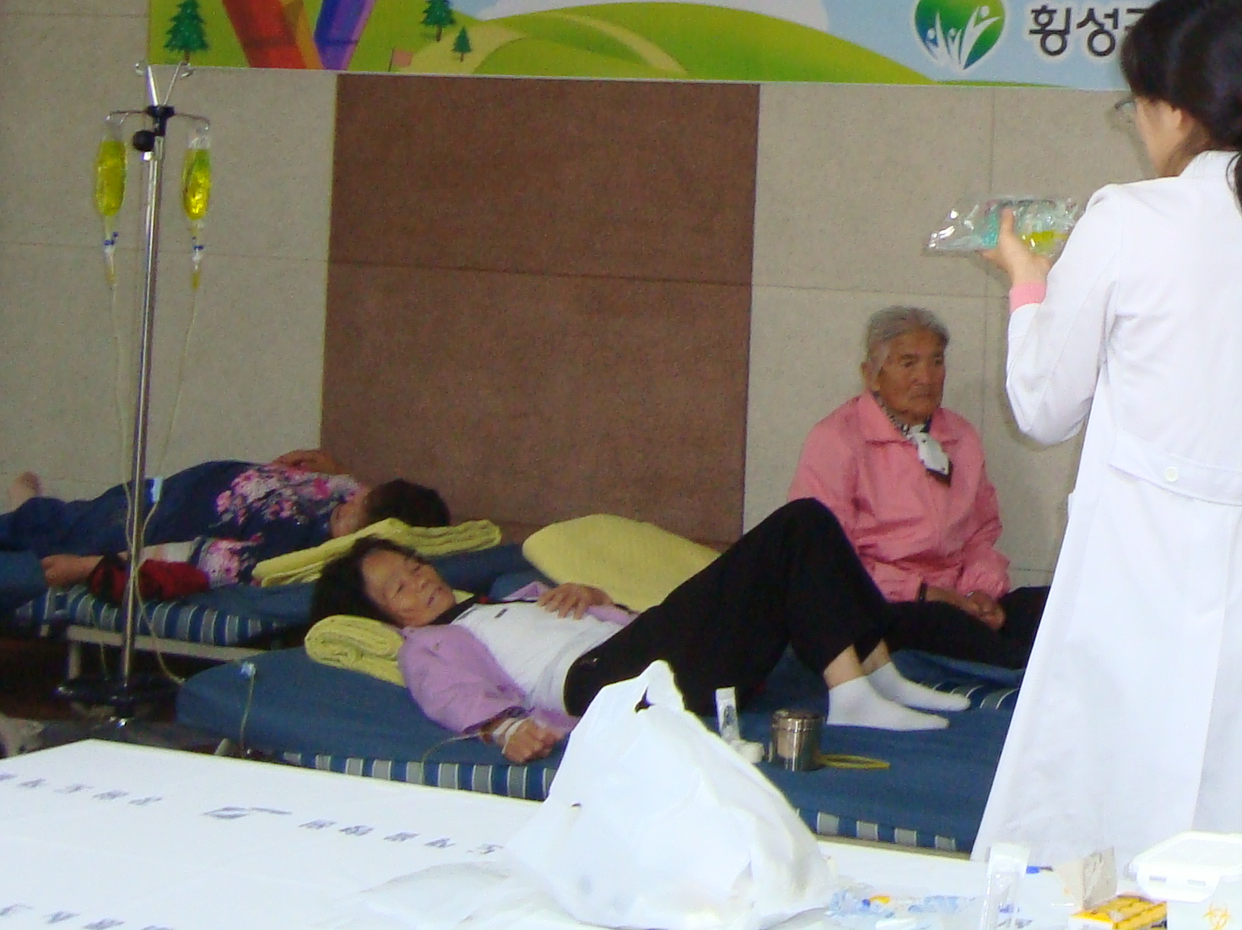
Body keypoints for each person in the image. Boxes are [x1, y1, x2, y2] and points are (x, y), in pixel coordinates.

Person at [972, 0, 1242, 899]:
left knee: (1105, 842)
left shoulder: (1128, 218)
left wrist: (1029, 283)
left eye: (1136, 105)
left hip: (1139, 590)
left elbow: (1042, 407)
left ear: (1175, 109)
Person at [308, 497, 970, 762]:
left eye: (415, 566)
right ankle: (851, 695)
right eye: (399, 589)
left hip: (647, 655)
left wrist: (591, 598)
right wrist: (503, 728)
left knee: (812, 525)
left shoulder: (500, 600)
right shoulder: (427, 647)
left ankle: (878, 673)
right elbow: (449, 693)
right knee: (794, 525)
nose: (419, 580)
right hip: (608, 682)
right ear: (385, 616)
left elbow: (610, 626)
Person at [789, 304, 1049, 667]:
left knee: (1052, 608)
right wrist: (926, 593)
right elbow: (828, 560)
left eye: (936, 362)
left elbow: (981, 534)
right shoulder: (837, 440)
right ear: (871, 375)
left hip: (957, 598)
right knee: (949, 628)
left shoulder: (960, 435)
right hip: (884, 605)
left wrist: (980, 592)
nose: (925, 377)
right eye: (908, 363)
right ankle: (1025, 678)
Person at [3, 455, 448, 590]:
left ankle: (26, 507)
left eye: (355, 512)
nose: (349, 502)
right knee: (78, 514)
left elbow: (191, 558)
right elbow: (344, 484)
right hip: (178, 488)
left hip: (157, 522)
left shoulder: (288, 550)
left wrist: (90, 568)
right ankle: (29, 507)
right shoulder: (347, 493)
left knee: (60, 529)